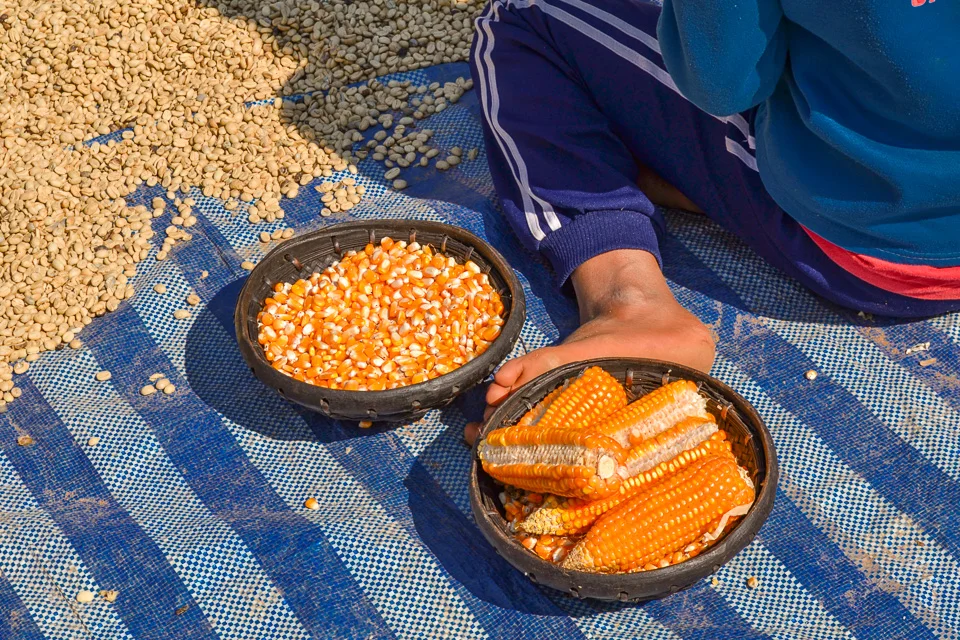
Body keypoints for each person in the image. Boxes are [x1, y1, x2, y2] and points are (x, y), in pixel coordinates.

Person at [464, 0, 960, 444]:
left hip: (873, 234)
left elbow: (724, 84)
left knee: (521, 14)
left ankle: (627, 297)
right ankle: (678, 178)